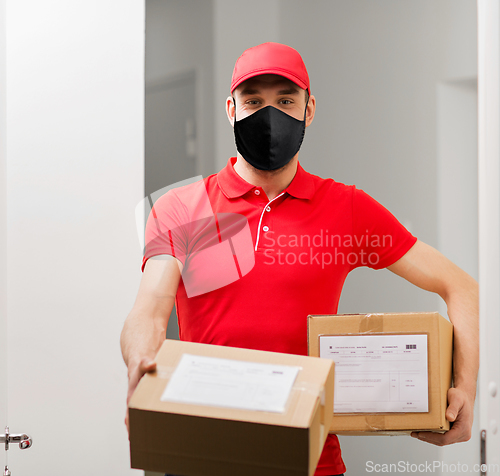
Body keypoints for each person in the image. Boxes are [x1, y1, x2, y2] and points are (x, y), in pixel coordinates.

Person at [121, 42, 478, 476]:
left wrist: (465, 389)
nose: (268, 116)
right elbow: (149, 310)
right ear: (230, 109)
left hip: (312, 463)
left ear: (309, 110)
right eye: (253, 101)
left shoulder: (346, 207)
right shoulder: (182, 207)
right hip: (204, 455)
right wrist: (140, 362)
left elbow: (462, 287)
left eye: (285, 101)